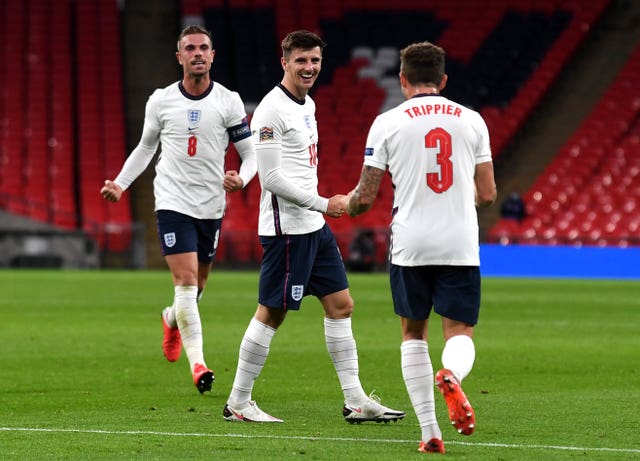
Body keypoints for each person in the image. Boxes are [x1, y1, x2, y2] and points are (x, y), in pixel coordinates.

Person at [222, 30, 405, 424]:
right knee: (272, 313)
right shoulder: (271, 110)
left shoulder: (308, 104)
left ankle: (355, 399)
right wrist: (326, 203)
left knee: (341, 306)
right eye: (301, 60)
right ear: (284, 61)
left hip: (313, 225)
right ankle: (238, 402)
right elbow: (270, 178)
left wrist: (319, 211)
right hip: (287, 229)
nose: (309, 68)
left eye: (315, 61)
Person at [343, 41, 497, 453]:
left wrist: (343, 205)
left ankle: (430, 433)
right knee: (460, 331)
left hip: (410, 242)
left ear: (403, 80)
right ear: (443, 80)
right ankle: (452, 376)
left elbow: (365, 196)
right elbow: (487, 194)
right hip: (459, 241)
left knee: (413, 333)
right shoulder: (472, 120)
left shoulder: (387, 122)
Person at [100, 25, 257, 395]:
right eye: (191, 48)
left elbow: (251, 154)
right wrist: (121, 184)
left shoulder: (229, 101)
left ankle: (171, 319)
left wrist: (244, 178)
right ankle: (198, 364)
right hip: (172, 200)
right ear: (180, 56)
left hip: (211, 205)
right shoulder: (161, 100)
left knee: (197, 288)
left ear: (213, 55)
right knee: (186, 284)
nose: (198, 53)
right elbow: (144, 148)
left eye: (204, 47)